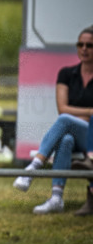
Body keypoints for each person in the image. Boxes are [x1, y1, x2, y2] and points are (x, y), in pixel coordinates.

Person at [13, 25, 93, 215]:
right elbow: (62, 108)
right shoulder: (66, 74)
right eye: (80, 44)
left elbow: (66, 113)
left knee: (66, 121)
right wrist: (90, 111)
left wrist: (79, 115)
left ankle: (34, 166)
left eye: (89, 45)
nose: (84, 49)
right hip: (80, 132)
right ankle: (56, 197)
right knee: (65, 139)